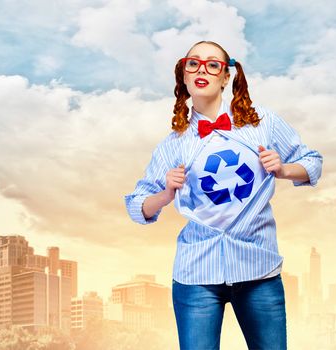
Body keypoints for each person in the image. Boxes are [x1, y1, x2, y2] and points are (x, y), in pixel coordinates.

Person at [124, 40, 322, 350]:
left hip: (258, 268)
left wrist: (283, 169)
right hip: (196, 274)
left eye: (212, 64)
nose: (202, 69)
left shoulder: (262, 123)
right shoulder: (173, 144)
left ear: (226, 76)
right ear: (184, 75)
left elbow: (312, 162)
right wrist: (166, 193)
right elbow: (137, 206)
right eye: (194, 63)